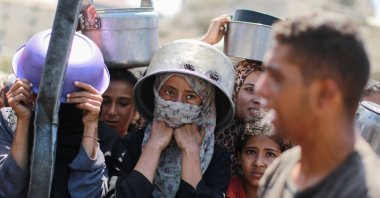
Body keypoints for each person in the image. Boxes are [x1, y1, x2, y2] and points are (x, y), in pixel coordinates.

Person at [254, 11, 380, 197]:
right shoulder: (282, 168)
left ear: (325, 93)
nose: (260, 89)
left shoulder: (365, 190)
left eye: (277, 77)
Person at [108, 39, 236, 198]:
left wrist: (191, 151)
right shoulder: (131, 144)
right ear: (156, 93)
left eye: (190, 96)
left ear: (205, 104)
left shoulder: (217, 157)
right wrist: (153, 146)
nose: (177, 103)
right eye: (169, 92)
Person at [0, 29, 110, 197]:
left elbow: (89, 193)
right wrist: (23, 121)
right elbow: (8, 189)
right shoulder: (8, 120)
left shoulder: (102, 134)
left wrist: (90, 126)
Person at [201, 14, 266, 176]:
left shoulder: (280, 140)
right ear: (234, 91)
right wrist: (206, 43)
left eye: (266, 92)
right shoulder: (207, 126)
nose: (258, 100)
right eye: (249, 89)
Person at [226, 112, 291, 198]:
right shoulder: (224, 190)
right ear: (238, 156)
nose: (258, 163)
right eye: (251, 152)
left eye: (270, 154)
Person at [100, 68, 142, 137]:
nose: (112, 112)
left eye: (123, 103)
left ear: (135, 110)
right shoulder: (79, 142)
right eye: (105, 102)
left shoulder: (142, 145)